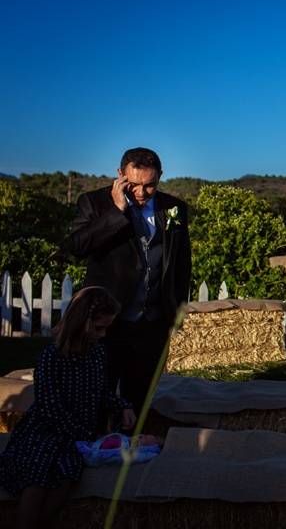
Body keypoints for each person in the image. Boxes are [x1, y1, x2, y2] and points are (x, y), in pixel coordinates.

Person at [63, 147, 191, 413]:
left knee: (140, 401)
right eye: (134, 185)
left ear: (160, 177)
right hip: (106, 324)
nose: (141, 193)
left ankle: (131, 449)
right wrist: (116, 211)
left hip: (152, 324)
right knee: (98, 396)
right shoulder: (94, 203)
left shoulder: (175, 209)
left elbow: (181, 263)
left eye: (150, 186)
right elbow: (76, 247)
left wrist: (176, 310)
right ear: (120, 175)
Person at [0, 287, 136, 529]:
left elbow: (100, 392)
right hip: (46, 431)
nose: (103, 335)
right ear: (81, 322)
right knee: (37, 477)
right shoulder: (52, 356)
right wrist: (79, 434)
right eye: (98, 328)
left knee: (66, 479)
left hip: (76, 437)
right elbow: (49, 404)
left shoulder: (96, 354)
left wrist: (122, 405)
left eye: (106, 328)